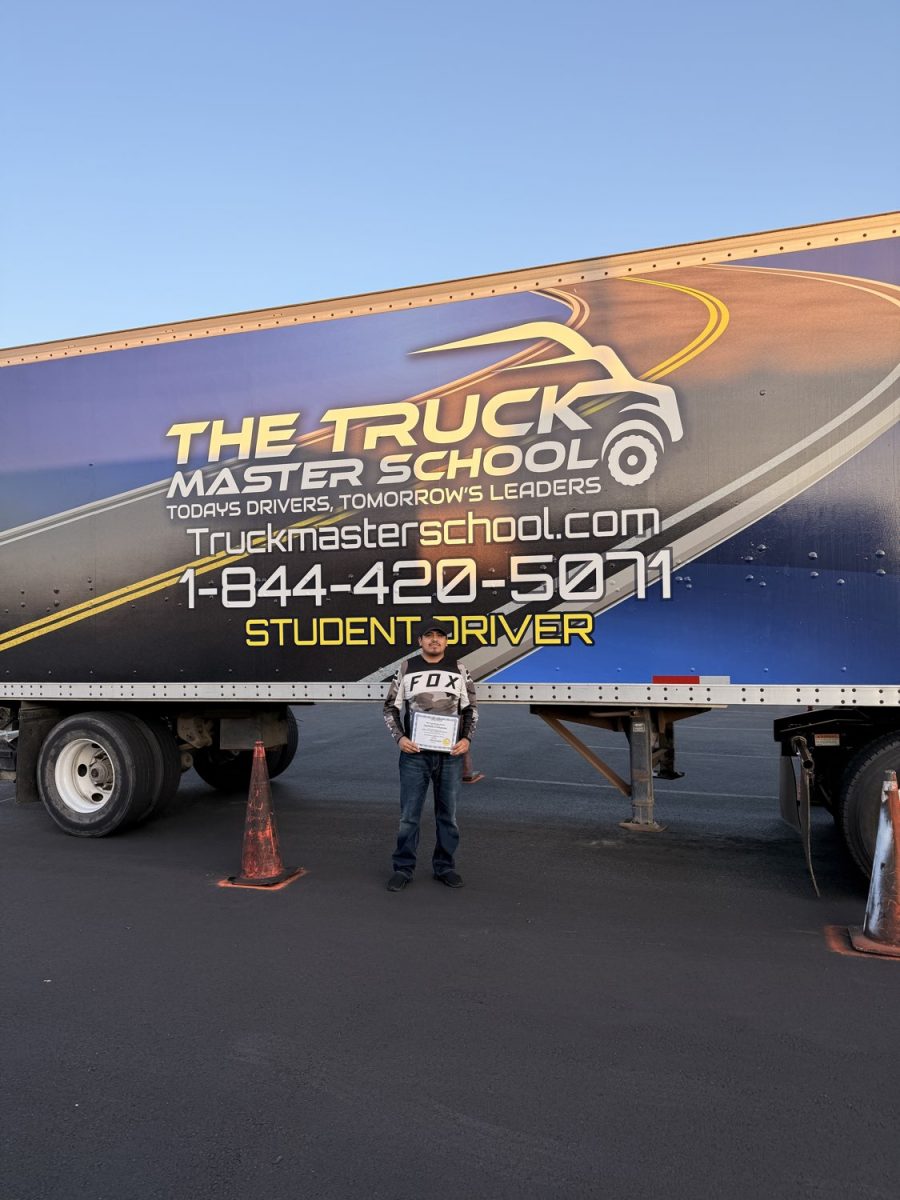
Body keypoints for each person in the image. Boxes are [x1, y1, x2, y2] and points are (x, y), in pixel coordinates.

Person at [382, 618, 478, 891]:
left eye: (440, 636)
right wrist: (400, 738)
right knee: (409, 816)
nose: (434, 640)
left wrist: (466, 739)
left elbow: (470, 708)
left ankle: (445, 867)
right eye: (429, 636)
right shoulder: (407, 667)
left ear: (446, 641)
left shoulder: (459, 668)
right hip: (415, 755)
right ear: (420, 641)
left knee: (448, 816)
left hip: (450, 755)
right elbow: (390, 707)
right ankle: (403, 868)